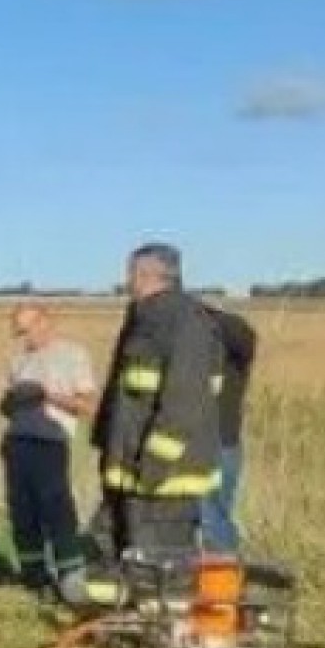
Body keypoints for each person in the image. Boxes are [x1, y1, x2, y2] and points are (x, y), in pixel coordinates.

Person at [82, 243, 224, 604]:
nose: (126, 280)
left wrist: (157, 463)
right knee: (112, 543)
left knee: (161, 560)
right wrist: (105, 445)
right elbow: (124, 393)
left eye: (131, 272)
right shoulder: (143, 317)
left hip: (164, 476)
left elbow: (185, 400)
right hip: (128, 467)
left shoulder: (185, 320)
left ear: (151, 275)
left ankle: (166, 632)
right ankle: (121, 621)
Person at [0, 304, 96, 600]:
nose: (24, 337)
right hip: (17, 443)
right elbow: (6, 408)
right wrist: (11, 401)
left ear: (45, 322)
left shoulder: (72, 355)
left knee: (56, 509)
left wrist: (47, 395)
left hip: (50, 443)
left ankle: (70, 578)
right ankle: (33, 576)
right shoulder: (19, 361)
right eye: (18, 332)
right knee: (22, 511)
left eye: (26, 330)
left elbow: (88, 406)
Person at [201, 302, 257, 554]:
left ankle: (225, 573)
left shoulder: (234, 355)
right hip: (195, 445)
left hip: (223, 443)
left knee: (213, 513)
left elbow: (245, 336)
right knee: (205, 514)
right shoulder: (191, 358)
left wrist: (207, 314)